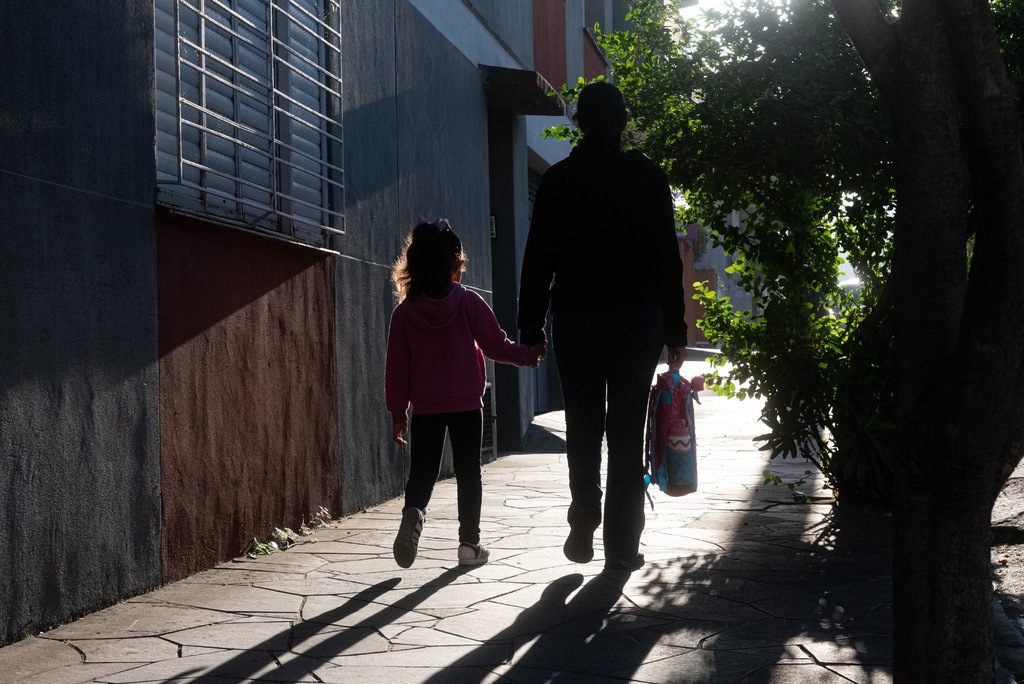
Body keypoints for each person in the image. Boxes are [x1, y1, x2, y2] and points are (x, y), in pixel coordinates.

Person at [517, 81, 688, 574]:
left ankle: (584, 508)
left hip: (577, 318)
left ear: (580, 123)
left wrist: (530, 327)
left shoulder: (559, 180)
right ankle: (622, 544)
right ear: (623, 121)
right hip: (638, 320)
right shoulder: (648, 178)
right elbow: (666, 261)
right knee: (627, 427)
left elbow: (538, 260)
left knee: (584, 423)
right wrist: (675, 330)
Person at [386, 219, 546, 568]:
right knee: (469, 473)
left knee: (423, 472)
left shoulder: (403, 314)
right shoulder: (467, 302)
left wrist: (399, 412)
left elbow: (396, 370)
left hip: (426, 408)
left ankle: (413, 511)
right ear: (453, 267)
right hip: (465, 406)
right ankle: (469, 546)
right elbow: (494, 344)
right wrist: (526, 355)